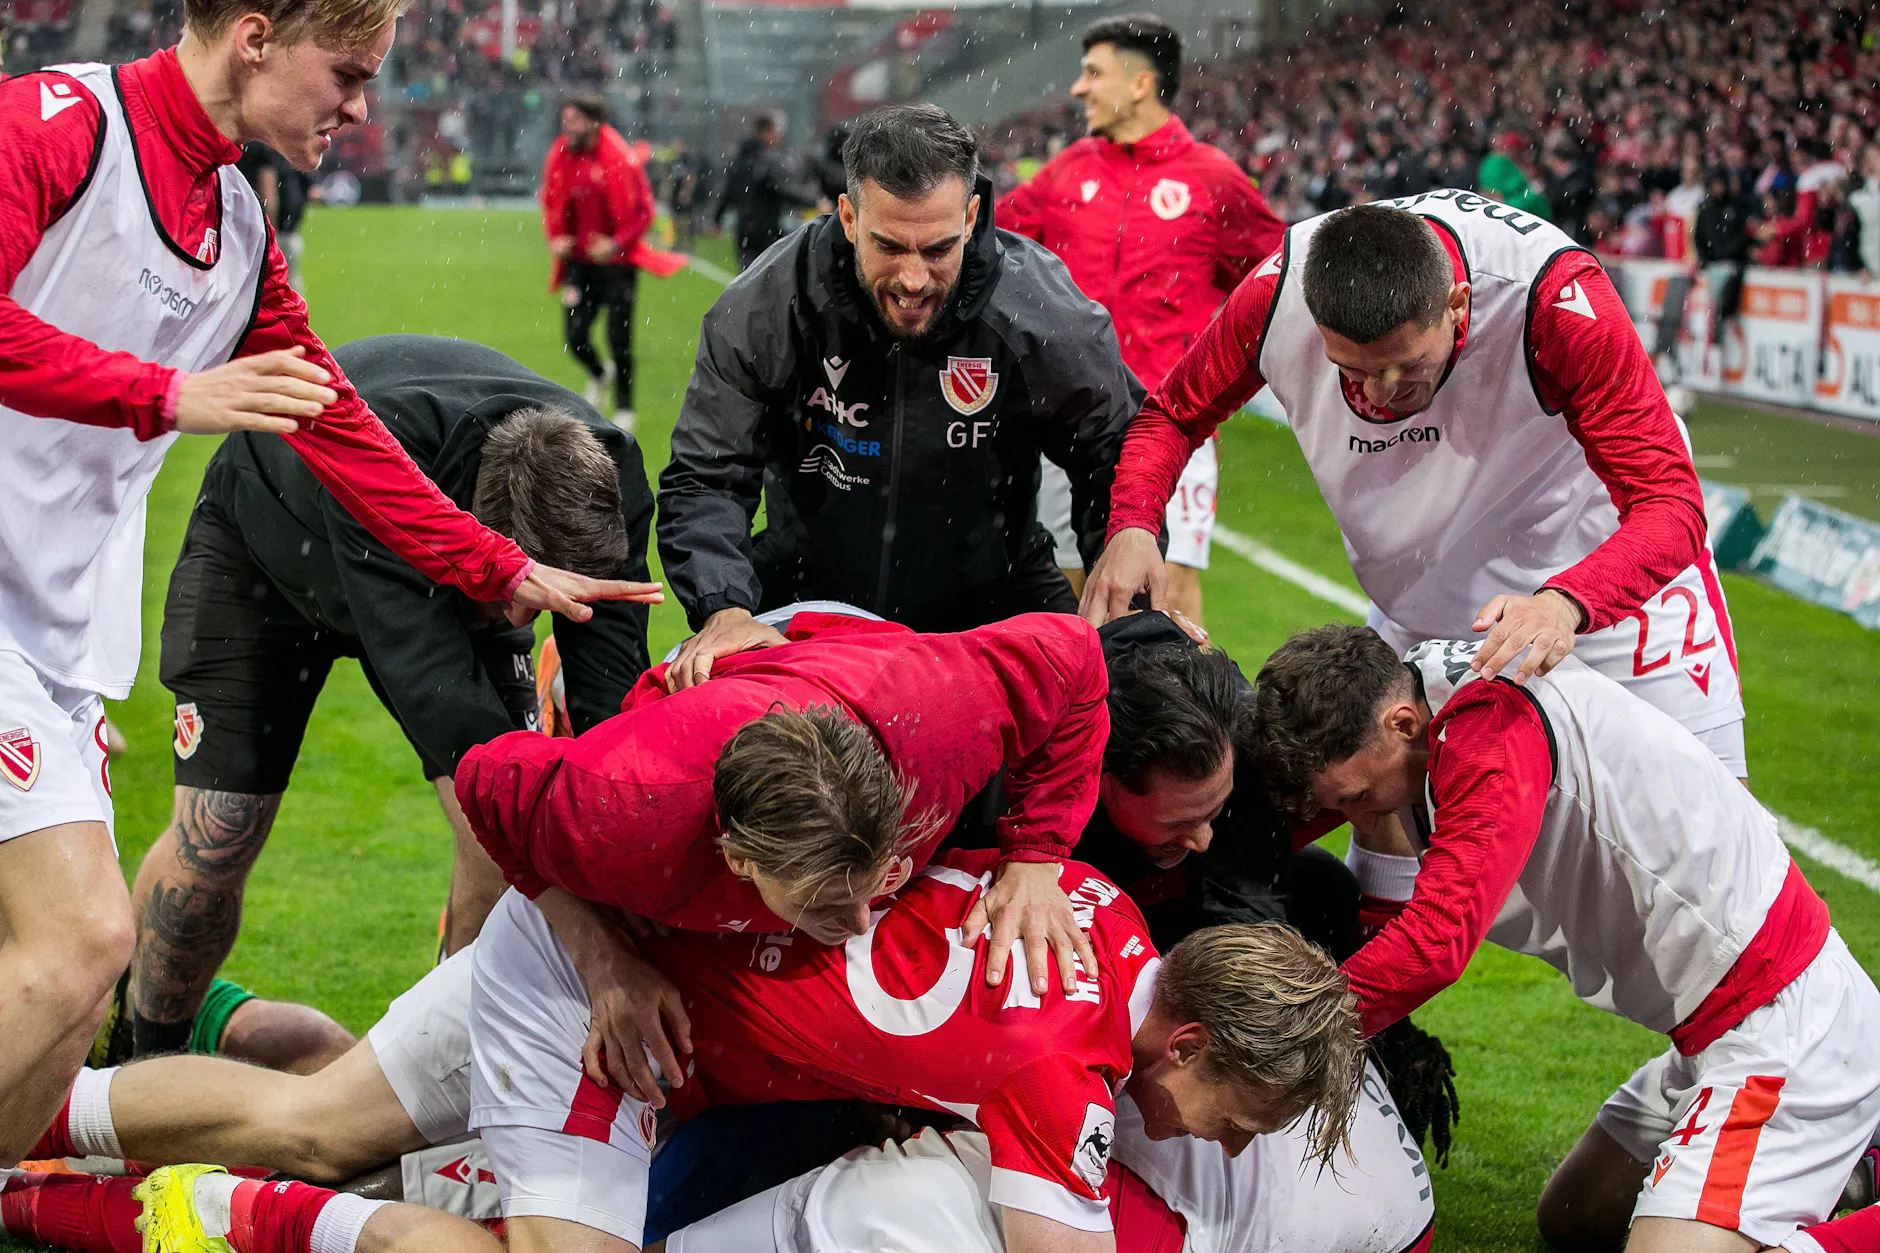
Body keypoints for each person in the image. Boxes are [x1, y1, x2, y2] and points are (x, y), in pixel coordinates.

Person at [0, 0, 642, 1165]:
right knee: (83, 936)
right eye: (345, 74)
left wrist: (500, 565)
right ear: (253, 37)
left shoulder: (238, 221)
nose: (360, 108)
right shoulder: (57, 122)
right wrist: (165, 393)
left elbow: (340, 426)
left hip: (46, 630)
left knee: (63, 970)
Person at [6, 871, 1368, 1253]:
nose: (1215, 1145)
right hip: (616, 1015)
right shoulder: (1057, 1075)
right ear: (1184, 1037)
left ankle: (24, 1112)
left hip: (602, 933)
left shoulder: (1088, 898)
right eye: (1235, 1118)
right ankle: (84, 1200)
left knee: (315, 1114)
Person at [1247, 624, 1880, 1253]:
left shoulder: (1488, 735)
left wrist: (1276, 1035)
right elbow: (1284, 823)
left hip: (1784, 1029)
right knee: (1574, 1218)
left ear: (1405, 724)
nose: (1356, 816)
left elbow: (1436, 940)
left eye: (1356, 797)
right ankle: (1854, 1164)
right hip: (1706, 1035)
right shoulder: (1403, 710)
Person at [1082, 195, 1748, 781]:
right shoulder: (1277, 294)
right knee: (1359, 794)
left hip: (1606, 590)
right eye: (1351, 369)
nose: (1377, 394)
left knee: (1726, 854)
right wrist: (1134, 525)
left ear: (1460, 306)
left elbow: (1671, 505)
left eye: (1406, 367)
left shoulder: (1554, 297)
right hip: (1421, 600)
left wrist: (1565, 603)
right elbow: (1171, 413)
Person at [126, 334, 658, 1059]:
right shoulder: (379, 469)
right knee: (219, 831)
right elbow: (458, 731)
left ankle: (448, 1068)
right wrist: (599, 951)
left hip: (458, 562)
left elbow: (617, 715)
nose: (525, 630)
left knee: (498, 826)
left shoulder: (609, 480)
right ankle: (140, 1051)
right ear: (484, 530)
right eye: (524, 605)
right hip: (267, 551)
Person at [457, 611, 1114, 1107]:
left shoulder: (944, 722)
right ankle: (565, 703)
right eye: (823, 900)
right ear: (738, 861)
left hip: (851, 657)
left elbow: (1077, 653)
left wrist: (1036, 853)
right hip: (675, 720)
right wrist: (603, 959)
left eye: (878, 877)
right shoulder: (622, 808)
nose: (860, 921)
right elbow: (482, 781)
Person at [658, 103, 1140, 688]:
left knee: (1148, 714)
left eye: (937, 249)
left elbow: (1115, 450)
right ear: (849, 216)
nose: (914, 279)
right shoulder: (773, 303)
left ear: (970, 217)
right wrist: (726, 607)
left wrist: (1128, 543)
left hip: (993, 606)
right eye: (890, 245)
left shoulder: (1039, 310)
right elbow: (708, 473)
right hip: (807, 605)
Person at [998, 13, 1283, 629]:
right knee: (1071, 599)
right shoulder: (1066, 172)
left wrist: (1233, 374)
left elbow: (1281, 282)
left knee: (1168, 596)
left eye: (1092, 73)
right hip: (1064, 421)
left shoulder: (1213, 181)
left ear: (1138, 84)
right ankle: (1084, 722)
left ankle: (1195, 726)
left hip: (1172, 421)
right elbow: (984, 250)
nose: (1079, 89)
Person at [541, 93, 655, 430]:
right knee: (574, 335)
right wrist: (555, 238)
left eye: (574, 120)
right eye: (565, 121)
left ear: (592, 122)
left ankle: (624, 407)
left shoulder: (619, 157)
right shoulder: (561, 153)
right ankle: (597, 372)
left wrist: (615, 243)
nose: (567, 128)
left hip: (617, 265)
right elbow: (550, 201)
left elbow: (644, 213)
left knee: (620, 339)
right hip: (579, 262)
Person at [714, 112, 820, 270]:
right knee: (769, 278)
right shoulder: (768, 160)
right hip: (767, 228)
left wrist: (717, 219)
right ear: (768, 132)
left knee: (746, 276)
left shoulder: (738, 160)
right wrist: (814, 202)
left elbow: (727, 194)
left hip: (743, 229)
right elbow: (784, 190)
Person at [235, 142, 310, 289]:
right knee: (283, 284)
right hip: (272, 228)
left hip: (241, 225)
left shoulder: (247, 147)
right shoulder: (262, 150)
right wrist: (270, 232)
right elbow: (269, 197)